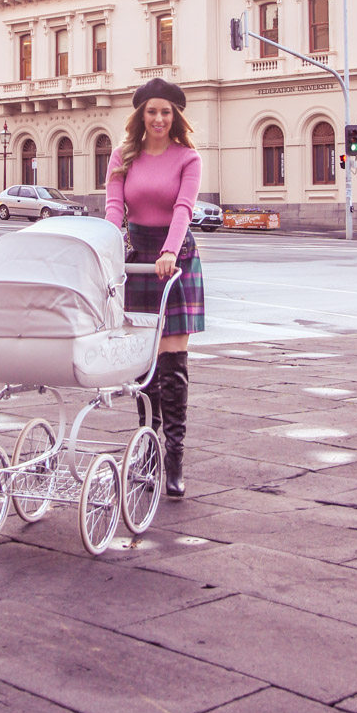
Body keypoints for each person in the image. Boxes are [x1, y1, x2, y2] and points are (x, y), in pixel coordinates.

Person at [105, 78, 204, 498]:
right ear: (140, 116)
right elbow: (114, 209)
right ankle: (147, 448)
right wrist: (106, 252)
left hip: (174, 258)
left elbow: (183, 208)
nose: (159, 119)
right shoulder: (122, 155)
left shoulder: (188, 158)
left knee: (172, 365)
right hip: (136, 257)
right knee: (144, 368)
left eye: (166, 112)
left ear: (175, 117)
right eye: (152, 111)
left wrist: (168, 251)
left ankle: (174, 459)